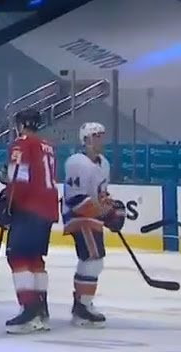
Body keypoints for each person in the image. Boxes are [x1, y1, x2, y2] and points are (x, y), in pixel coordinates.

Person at [0, 107, 60, 334]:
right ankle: (41, 310)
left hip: (29, 208)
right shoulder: (48, 146)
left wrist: (10, 204)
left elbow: (19, 178)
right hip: (48, 208)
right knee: (35, 259)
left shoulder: (21, 143)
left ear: (21, 125)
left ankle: (29, 310)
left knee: (17, 256)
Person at [62, 121, 125, 328]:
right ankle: (82, 308)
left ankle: (82, 305)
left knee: (94, 260)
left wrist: (112, 208)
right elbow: (75, 199)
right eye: (95, 136)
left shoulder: (103, 163)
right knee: (92, 259)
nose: (100, 140)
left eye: (101, 136)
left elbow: (101, 195)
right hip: (78, 216)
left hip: (91, 215)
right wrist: (104, 213)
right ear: (85, 140)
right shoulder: (76, 163)